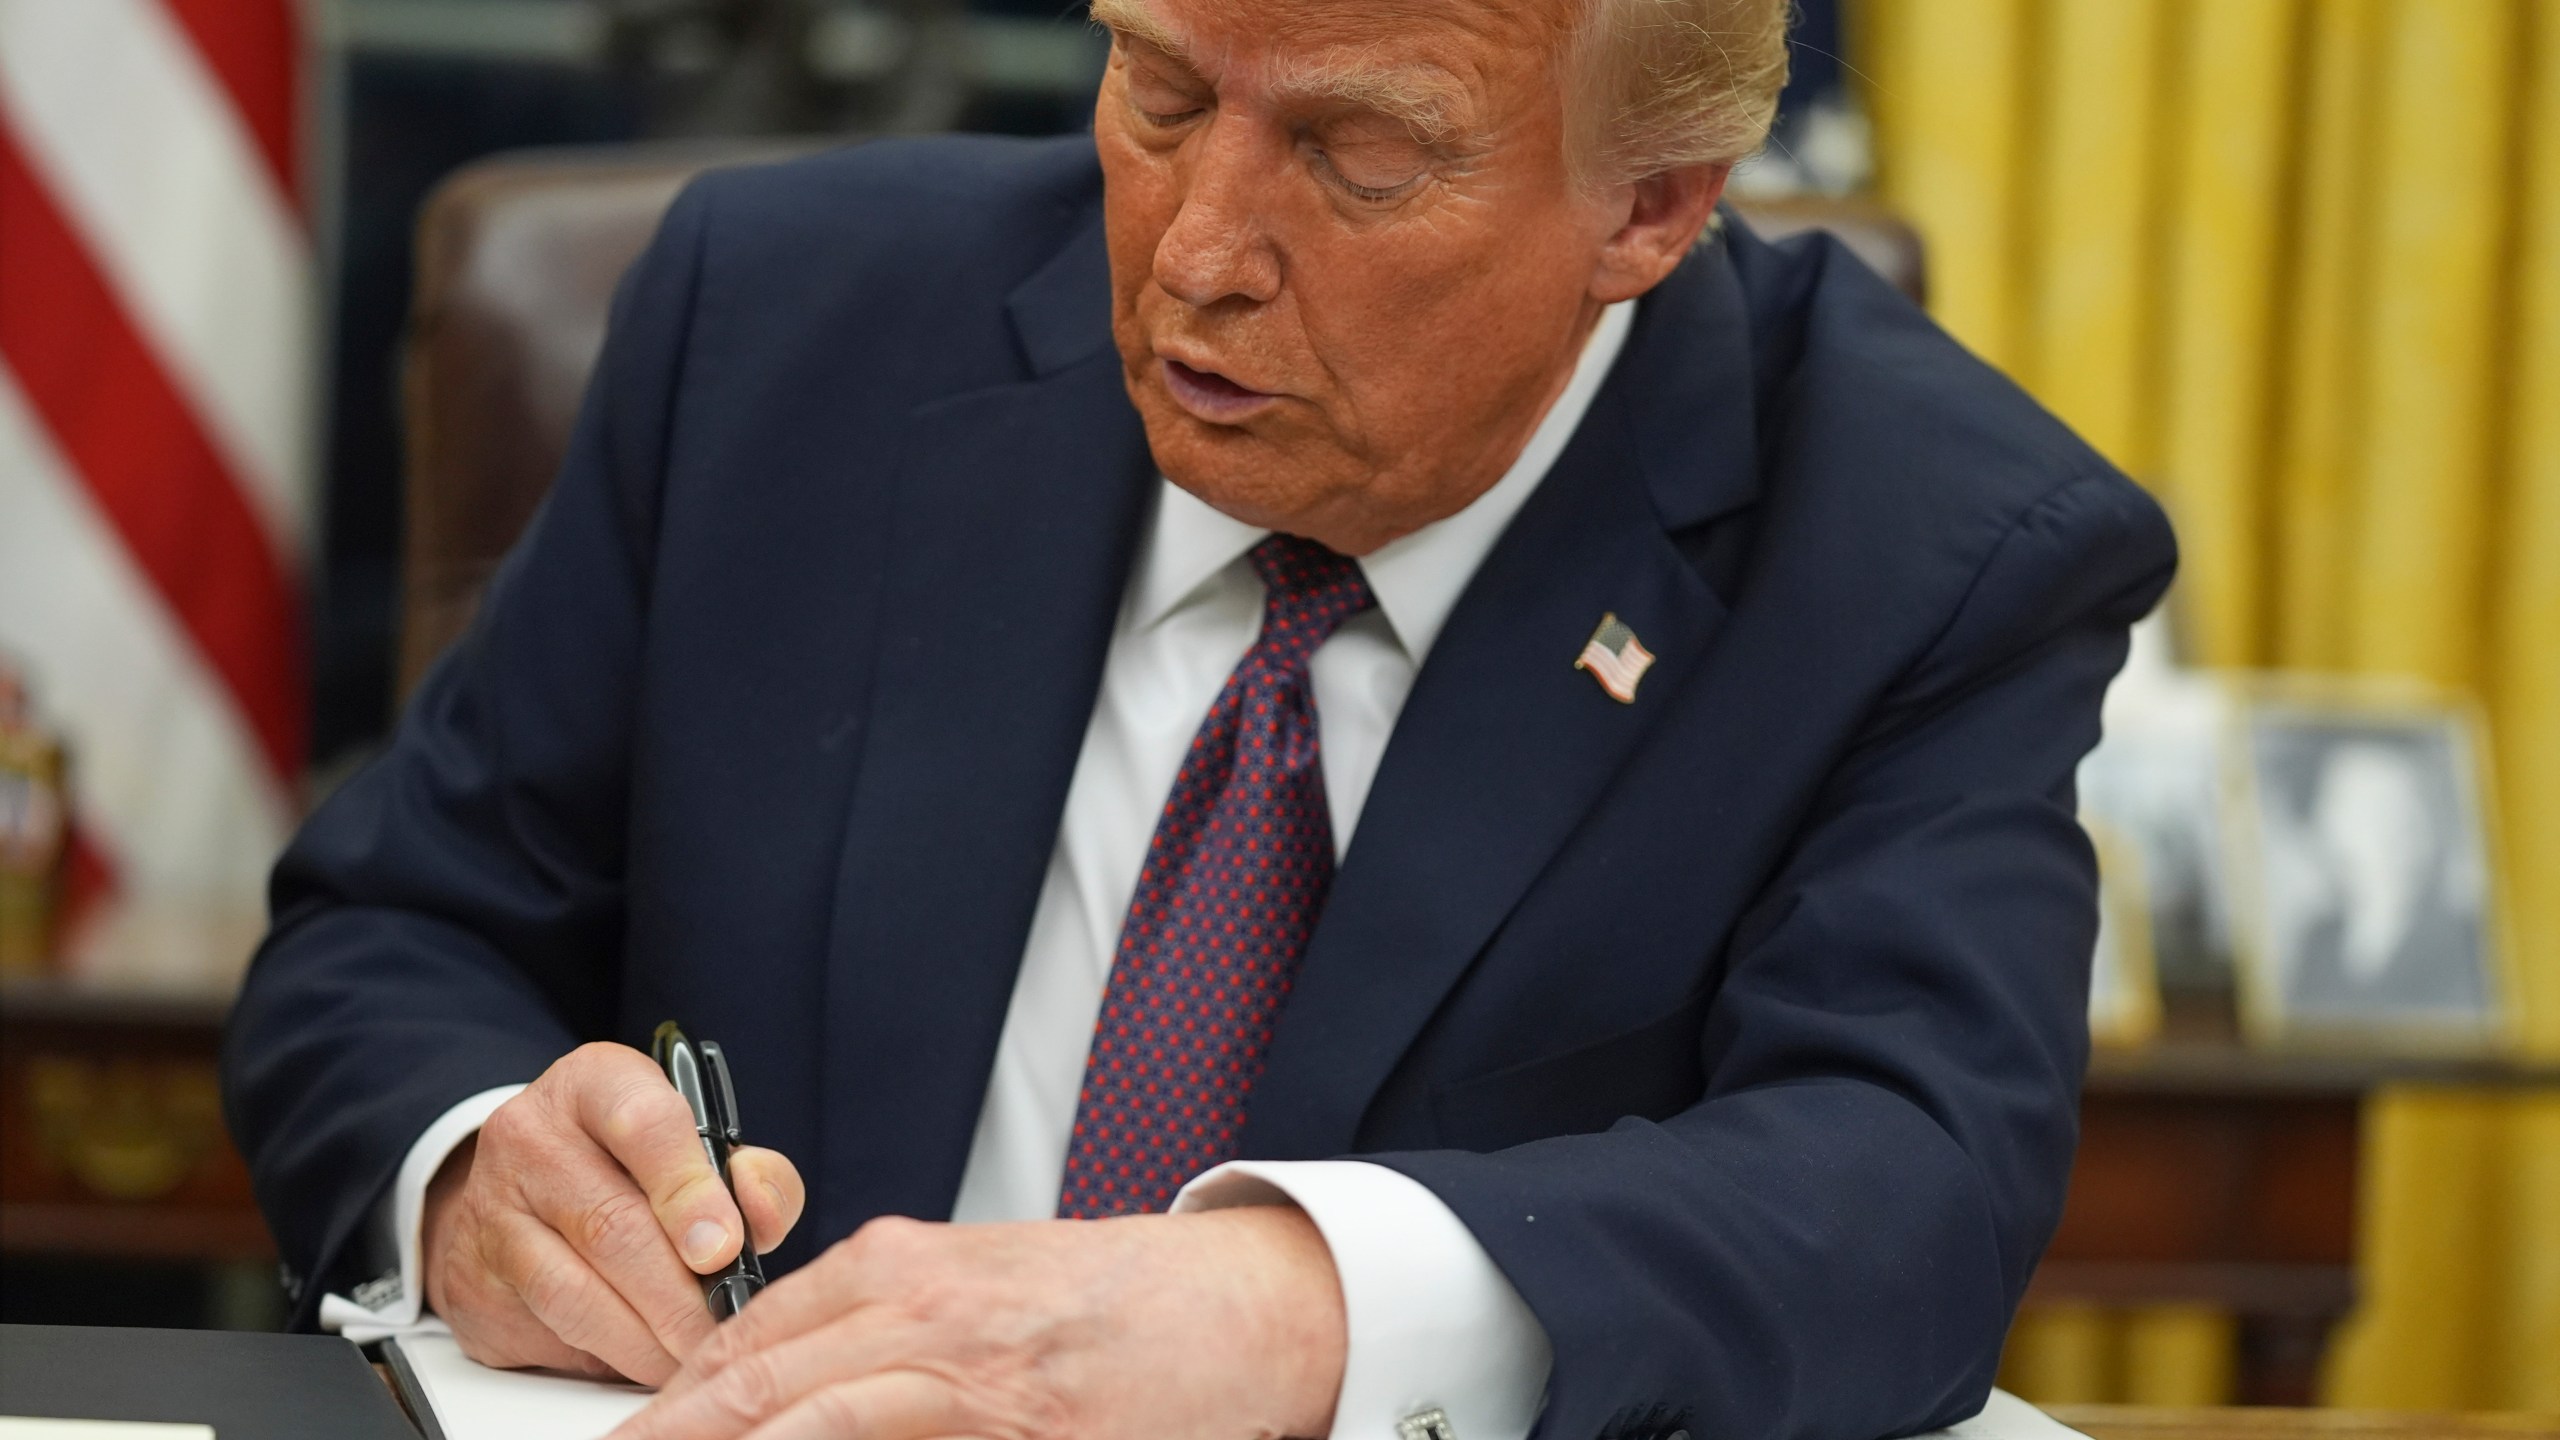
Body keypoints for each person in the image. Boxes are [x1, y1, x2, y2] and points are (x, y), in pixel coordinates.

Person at [220, 0, 2177, 1435]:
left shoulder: (1926, 549)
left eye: (1356, 156)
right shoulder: (781, 323)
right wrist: (475, 1169)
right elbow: (397, 931)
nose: (1193, 255)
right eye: (1157, 92)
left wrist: (1289, 1304)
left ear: (1649, 210)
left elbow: (1904, 1186)